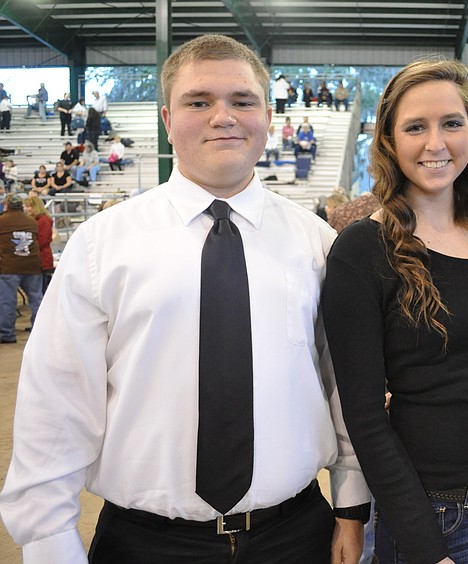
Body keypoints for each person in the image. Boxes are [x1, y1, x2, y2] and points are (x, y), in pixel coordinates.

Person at [0, 34, 370, 563]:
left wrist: (351, 507)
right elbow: (55, 402)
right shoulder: (103, 246)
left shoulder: (318, 245)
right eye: (199, 101)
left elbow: (344, 388)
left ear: (267, 115)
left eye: (242, 101)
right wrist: (49, 541)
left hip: (294, 536)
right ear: (168, 120)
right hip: (146, 543)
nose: (224, 116)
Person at [321, 58, 468, 564]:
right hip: (437, 515)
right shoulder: (362, 252)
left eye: (451, 123)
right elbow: (364, 417)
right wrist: (423, 545)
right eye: (415, 127)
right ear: (388, 141)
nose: (435, 143)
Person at [0, 193, 43, 343]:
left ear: (7, 205)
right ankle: (40, 331)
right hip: (32, 265)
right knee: (37, 299)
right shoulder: (31, 222)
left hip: (9, 266)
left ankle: (7, 334)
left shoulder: (2, 221)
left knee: (7, 301)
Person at [23, 195, 54, 292]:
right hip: (37, 258)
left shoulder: (43, 221)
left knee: (41, 290)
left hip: (42, 259)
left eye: (29, 206)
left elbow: (42, 241)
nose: (26, 209)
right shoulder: (35, 220)